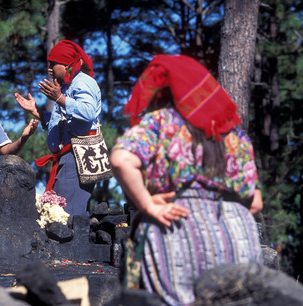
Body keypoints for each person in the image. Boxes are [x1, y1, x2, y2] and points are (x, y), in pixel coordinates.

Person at [110, 55, 263, 305]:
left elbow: (121, 160)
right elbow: (255, 202)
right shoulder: (234, 134)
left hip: (176, 227)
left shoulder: (162, 122)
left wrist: (147, 204)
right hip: (238, 235)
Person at [14, 40, 101, 217]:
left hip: (77, 156)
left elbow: (89, 112)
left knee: (66, 215)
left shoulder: (82, 83)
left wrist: (60, 98)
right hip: (69, 157)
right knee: (60, 213)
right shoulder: (66, 87)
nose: (49, 69)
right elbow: (64, 123)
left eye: (53, 64)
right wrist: (35, 111)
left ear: (68, 64)